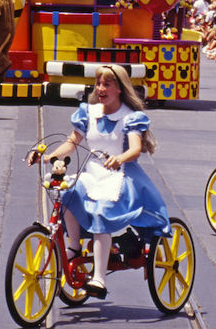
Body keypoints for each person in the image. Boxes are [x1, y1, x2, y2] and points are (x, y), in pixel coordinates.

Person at [30, 64, 171, 299]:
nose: (101, 88)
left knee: (101, 211)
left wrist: (120, 157)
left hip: (121, 176)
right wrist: (46, 157)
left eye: (107, 84)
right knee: (66, 192)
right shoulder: (89, 112)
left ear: (119, 88)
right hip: (93, 173)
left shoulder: (130, 117)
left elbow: (135, 149)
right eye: (98, 84)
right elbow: (71, 143)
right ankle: (74, 245)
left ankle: (100, 279)